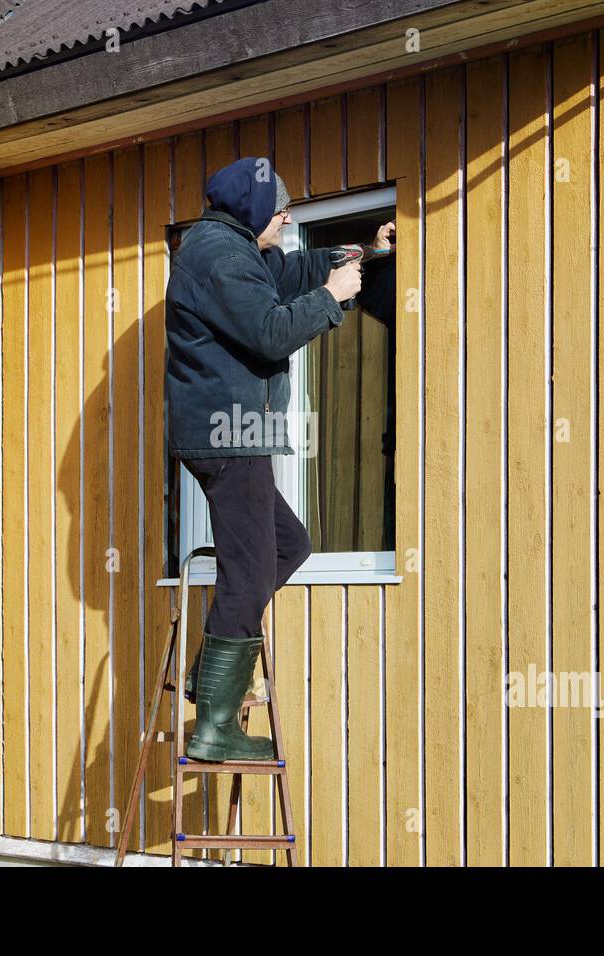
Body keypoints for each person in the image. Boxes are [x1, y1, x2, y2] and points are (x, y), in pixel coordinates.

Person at [164, 156, 374, 761]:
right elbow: (270, 331)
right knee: (250, 571)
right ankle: (215, 728)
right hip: (228, 435)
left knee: (288, 546)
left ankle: (209, 678)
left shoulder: (232, 249)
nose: (286, 223)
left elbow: (286, 272)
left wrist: (364, 251)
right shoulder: (221, 256)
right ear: (257, 212)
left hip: (232, 432)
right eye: (281, 214)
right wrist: (333, 298)